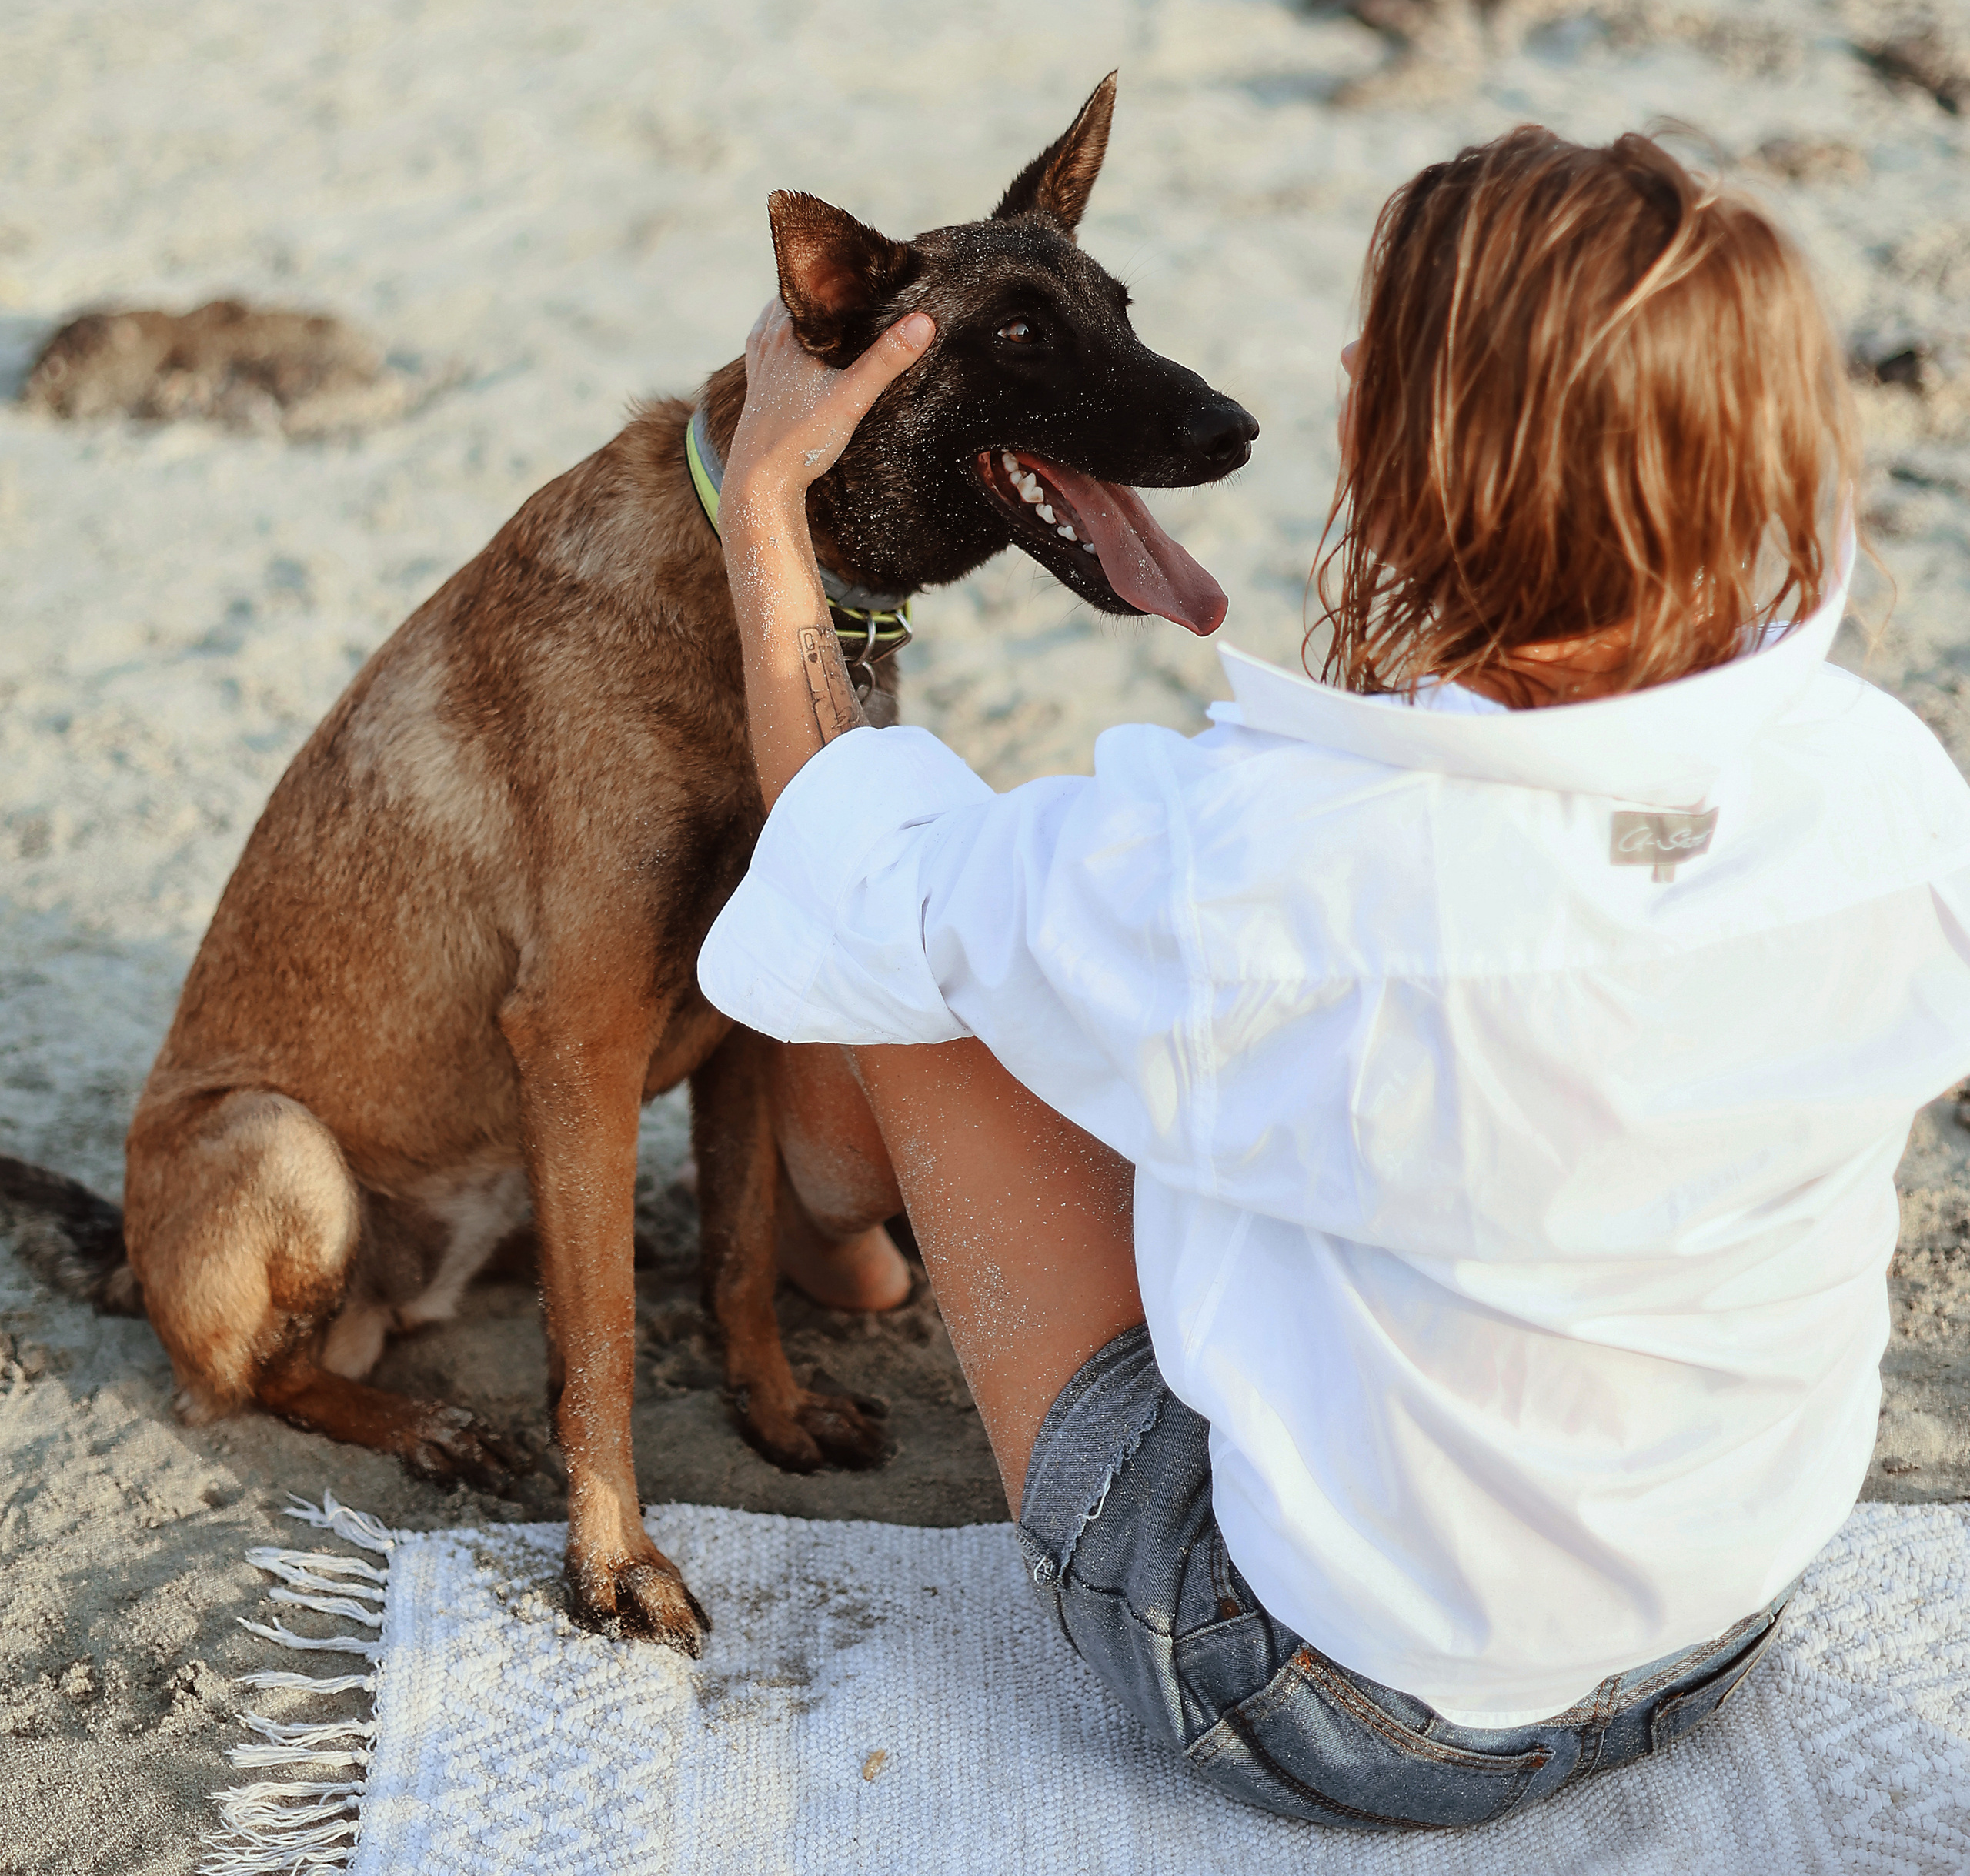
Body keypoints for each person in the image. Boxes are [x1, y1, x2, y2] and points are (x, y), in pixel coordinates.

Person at [696, 124, 1970, 1830]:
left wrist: (770, 508)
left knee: (918, 924)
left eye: (1384, 351)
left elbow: (850, 855)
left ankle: (835, 1232)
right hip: (1712, 1614)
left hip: (1342, 1702)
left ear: (1442, 452)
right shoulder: (1881, 779)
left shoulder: (1290, 857)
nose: (1348, 362)